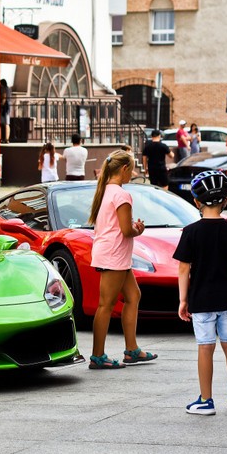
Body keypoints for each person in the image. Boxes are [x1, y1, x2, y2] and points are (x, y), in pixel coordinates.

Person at [174, 170, 227, 415]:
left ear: (196, 201)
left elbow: (183, 268)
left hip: (202, 299)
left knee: (205, 347)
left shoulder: (191, 232)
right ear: (226, 200)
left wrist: (183, 299)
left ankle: (206, 400)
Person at [87, 150, 154, 369]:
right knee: (105, 305)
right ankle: (98, 356)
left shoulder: (106, 190)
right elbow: (126, 230)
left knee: (133, 295)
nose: (133, 173)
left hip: (112, 253)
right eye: (132, 169)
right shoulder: (122, 195)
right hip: (114, 255)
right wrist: (138, 229)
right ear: (124, 169)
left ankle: (132, 350)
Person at [0, 79, 11, 143]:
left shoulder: (3, 88)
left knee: (2, 123)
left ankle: (1, 138)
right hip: (8, 106)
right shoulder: (9, 89)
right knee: (7, 123)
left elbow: (4, 97)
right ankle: (7, 138)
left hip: (4, 108)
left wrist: (0, 104)